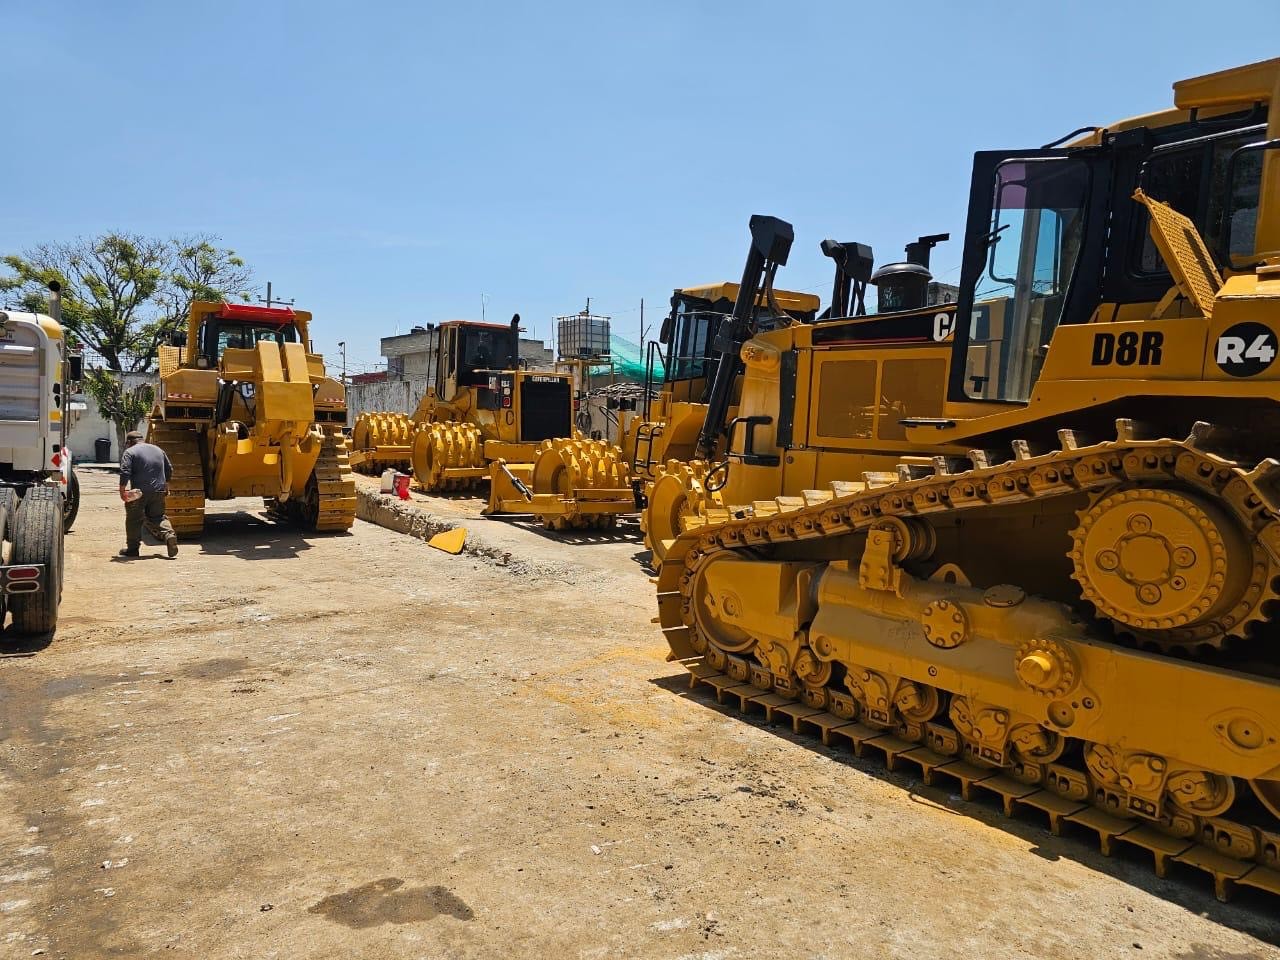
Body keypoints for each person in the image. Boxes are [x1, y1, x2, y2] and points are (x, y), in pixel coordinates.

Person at [118, 430, 178, 559]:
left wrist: (122, 491)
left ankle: (133, 549)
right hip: (158, 490)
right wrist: (166, 485)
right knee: (158, 517)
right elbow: (169, 469)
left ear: (129, 442)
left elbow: (125, 471)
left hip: (139, 493)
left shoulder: (130, 452)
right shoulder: (158, 450)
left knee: (134, 519)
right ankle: (169, 535)